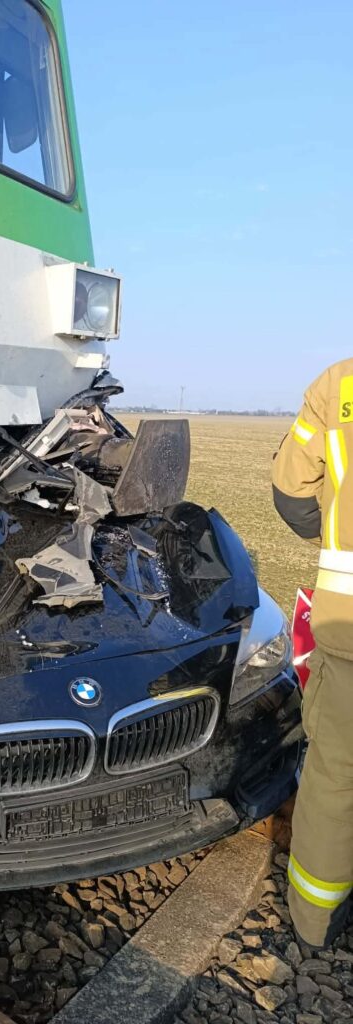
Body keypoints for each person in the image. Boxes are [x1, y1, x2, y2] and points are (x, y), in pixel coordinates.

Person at [272, 356, 353, 950]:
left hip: (348, 623)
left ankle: (315, 926)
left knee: (336, 775)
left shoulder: (342, 381)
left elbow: (291, 494)